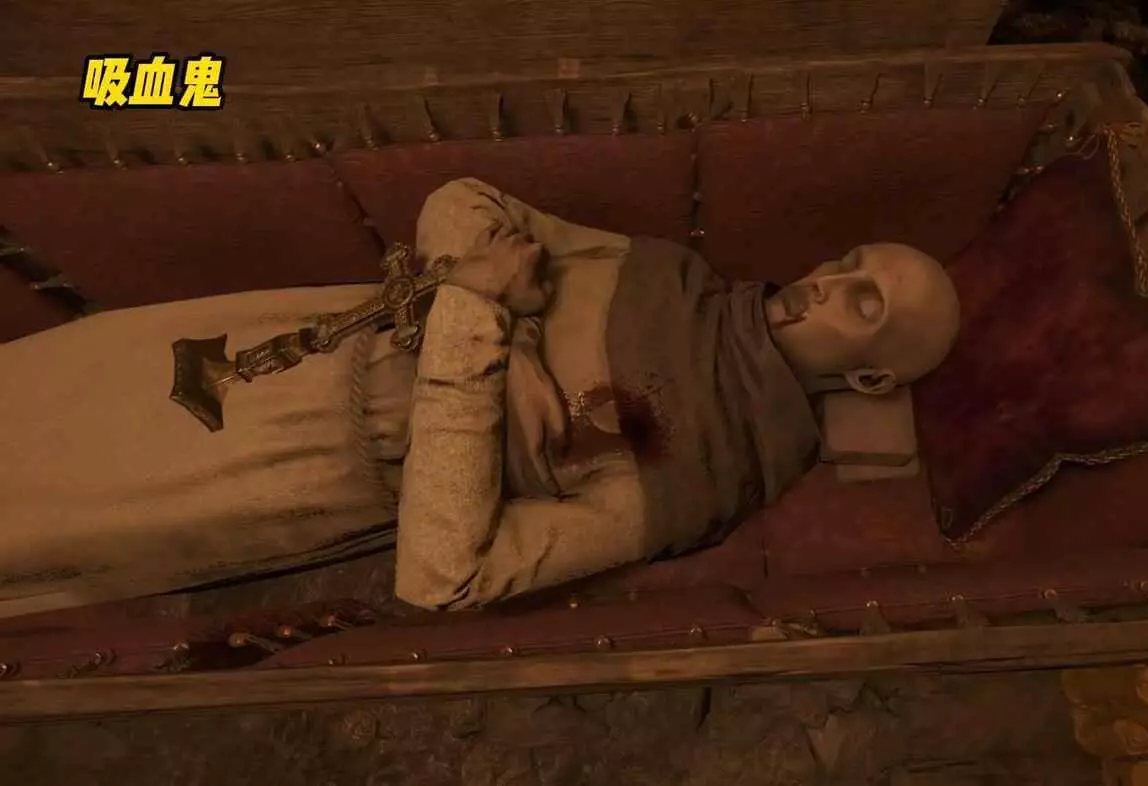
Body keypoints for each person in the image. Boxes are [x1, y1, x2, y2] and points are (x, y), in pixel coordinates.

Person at [0, 179, 960, 618]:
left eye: (863, 303)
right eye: (847, 263)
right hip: (282, 329)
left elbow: (444, 576)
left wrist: (476, 320)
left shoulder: (703, 472)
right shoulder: (672, 274)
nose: (827, 285)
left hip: (285, 463)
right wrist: (495, 308)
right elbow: (464, 200)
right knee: (39, 383)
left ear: (871, 377)